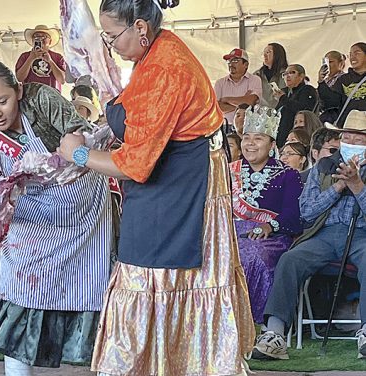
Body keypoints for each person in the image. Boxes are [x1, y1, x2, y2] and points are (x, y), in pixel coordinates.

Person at [58, 1, 254, 374]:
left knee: (152, 276)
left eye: (113, 36)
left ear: (141, 28)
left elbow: (135, 166)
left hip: (180, 189)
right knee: (158, 281)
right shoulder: (162, 49)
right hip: (180, 180)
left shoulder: (165, 69)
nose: (110, 44)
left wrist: (79, 155)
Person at [0, 61, 112, 375]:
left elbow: (81, 134)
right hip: (30, 214)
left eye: (2, 101)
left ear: (17, 91)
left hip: (80, 207)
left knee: (87, 289)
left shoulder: (42, 98)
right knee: (20, 290)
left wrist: (52, 163)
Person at [252, 109, 366, 360]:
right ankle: (275, 334)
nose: (353, 142)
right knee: (290, 260)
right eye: (348, 136)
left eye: (360, 138)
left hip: (361, 236)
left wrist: (357, 185)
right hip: (323, 234)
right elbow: (306, 212)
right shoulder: (324, 167)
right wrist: (337, 187)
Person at [229, 107, 304, 324]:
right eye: (246, 138)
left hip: (271, 238)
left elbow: (294, 213)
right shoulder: (227, 170)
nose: (250, 143)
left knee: (251, 256)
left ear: (272, 146)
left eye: (258, 138)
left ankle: (246, 321)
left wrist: (269, 227)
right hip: (231, 235)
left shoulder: (288, 175)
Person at [318, 42, 366, 127]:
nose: (352, 57)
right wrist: (321, 83)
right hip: (347, 127)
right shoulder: (343, 79)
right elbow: (332, 102)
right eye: (350, 54)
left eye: (357, 53)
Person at [214, 48, 262, 125]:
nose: (231, 64)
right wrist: (242, 106)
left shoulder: (254, 79)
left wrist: (226, 99)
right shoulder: (220, 83)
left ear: (246, 65)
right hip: (226, 127)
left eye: (235, 60)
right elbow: (216, 108)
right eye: (229, 61)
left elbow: (251, 101)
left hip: (248, 127)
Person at [274, 64, 318, 148]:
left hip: (297, 137)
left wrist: (283, 99)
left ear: (301, 76)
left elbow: (303, 109)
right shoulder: (286, 93)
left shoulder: (307, 90)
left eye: (292, 72)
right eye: (285, 74)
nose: (287, 76)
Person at [15, 25, 66, 92]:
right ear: (32, 40)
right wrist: (30, 58)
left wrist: (50, 61)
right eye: (36, 36)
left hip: (52, 97)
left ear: (50, 41)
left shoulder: (58, 57)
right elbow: (19, 78)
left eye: (44, 36)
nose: (40, 39)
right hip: (30, 96)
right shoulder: (25, 56)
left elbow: (62, 80)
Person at [254, 43, 289, 109]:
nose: (264, 55)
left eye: (268, 52)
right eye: (263, 53)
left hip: (281, 114)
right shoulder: (257, 74)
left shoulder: (287, 74)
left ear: (277, 54)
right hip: (260, 116)